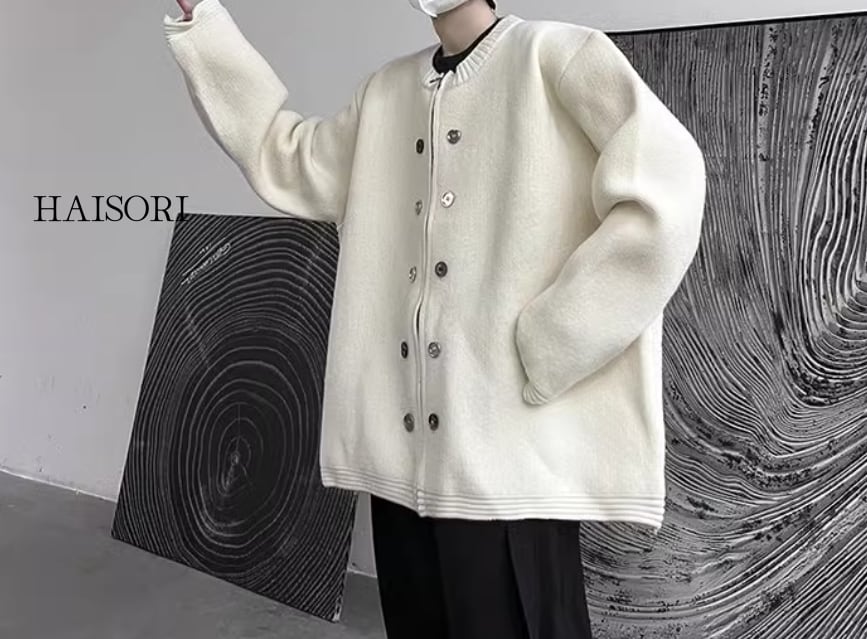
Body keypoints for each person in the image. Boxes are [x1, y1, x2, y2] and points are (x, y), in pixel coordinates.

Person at [163, 1, 707, 637]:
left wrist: (554, 342)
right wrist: (206, 22)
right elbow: (286, 160)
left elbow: (667, 191)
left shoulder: (558, 55)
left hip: (506, 462)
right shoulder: (386, 92)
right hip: (401, 467)